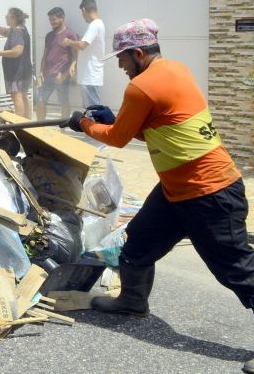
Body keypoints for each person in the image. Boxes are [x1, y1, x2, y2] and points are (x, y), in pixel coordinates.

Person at [62, 19, 253, 372]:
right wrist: (115, 119)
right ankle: (133, 302)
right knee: (137, 244)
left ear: (138, 53)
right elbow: (153, 128)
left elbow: (118, 138)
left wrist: (84, 124)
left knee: (238, 270)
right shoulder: (175, 70)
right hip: (177, 190)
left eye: (122, 58)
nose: (120, 66)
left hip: (208, 193)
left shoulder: (142, 88)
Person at [0, 7, 33, 118]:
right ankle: (28, 122)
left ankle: (20, 125)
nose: (5, 17)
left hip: (17, 72)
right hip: (24, 70)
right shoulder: (20, 28)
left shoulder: (17, 32)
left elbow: (18, 51)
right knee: (23, 95)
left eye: (7, 15)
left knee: (17, 97)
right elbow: (5, 31)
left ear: (12, 18)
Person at [62, 0, 105, 108]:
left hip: (90, 75)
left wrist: (69, 42)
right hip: (89, 75)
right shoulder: (98, 24)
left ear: (84, 10)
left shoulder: (94, 25)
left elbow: (82, 45)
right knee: (90, 109)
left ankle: (97, 126)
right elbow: (87, 50)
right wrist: (75, 63)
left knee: (93, 110)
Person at [36, 7, 77, 120]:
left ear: (62, 17)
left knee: (64, 102)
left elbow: (75, 57)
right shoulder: (49, 35)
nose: (51, 22)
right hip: (46, 76)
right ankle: (39, 128)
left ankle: (63, 128)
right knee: (40, 100)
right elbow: (44, 56)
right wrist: (40, 73)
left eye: (54, 19)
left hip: (60, 76)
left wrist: (64, 75)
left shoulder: (71, 34)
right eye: (50, 20)